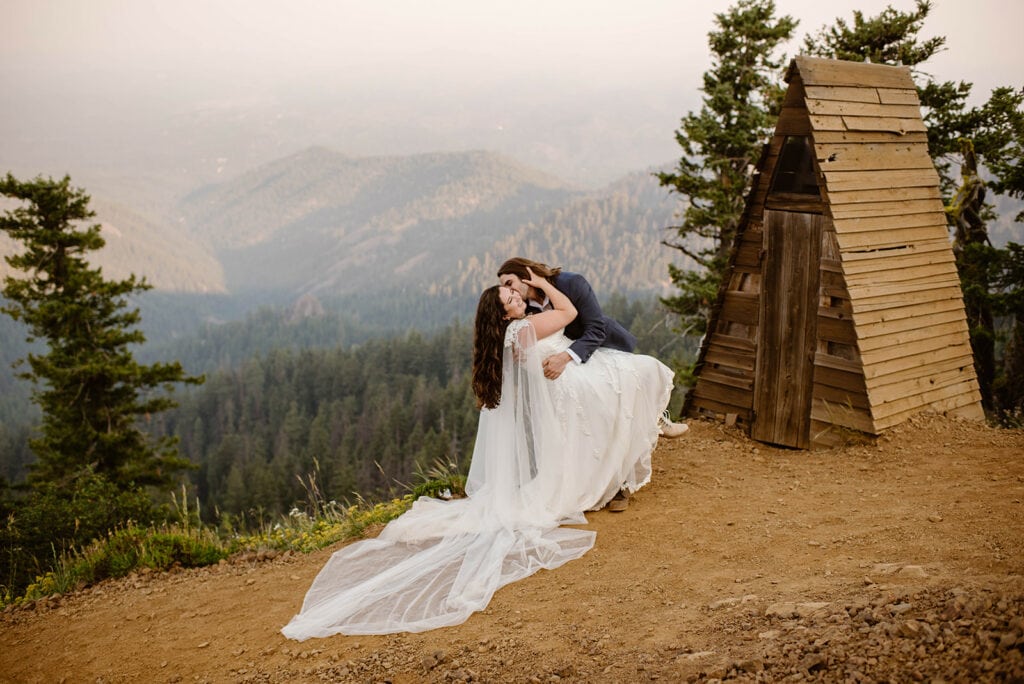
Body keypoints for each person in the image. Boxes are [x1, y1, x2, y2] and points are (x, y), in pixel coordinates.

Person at [281, 269, 682, 640]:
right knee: (640, 371)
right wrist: (544, 282)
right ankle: (633, 448)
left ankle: (628, 453)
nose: (517, 297)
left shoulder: (508, 334)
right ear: (505, 314)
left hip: (559, 383)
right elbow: (570, 311)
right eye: (510, 297)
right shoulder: (525, 327)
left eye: (514, 290)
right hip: (567, 383)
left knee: (622, 381)